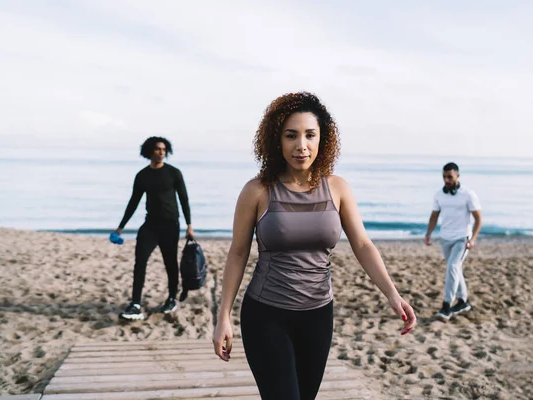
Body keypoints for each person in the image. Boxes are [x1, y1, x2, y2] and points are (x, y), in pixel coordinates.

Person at [212, 92, 417, 400]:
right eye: (291, 135)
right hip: (266, 315)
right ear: (276, 140)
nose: (301, 145)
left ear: (323, 139)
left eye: (310, 135)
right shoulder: (257, 190)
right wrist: (223, 316)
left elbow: (362, 244)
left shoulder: (338, 188)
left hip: (318, 315)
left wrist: (392, 294)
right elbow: (238, 252)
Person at [113, 137, 194, 321]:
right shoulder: (142, 176)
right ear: (150, 151)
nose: (161, 152)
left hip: (170, 225)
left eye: (164, 149)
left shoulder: (174, 173)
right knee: (139, 262)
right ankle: (135, 304)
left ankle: (172, 298)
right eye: (157, 149)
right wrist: (120, 227)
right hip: (150, 226)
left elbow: (184, 199)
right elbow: (133, 202)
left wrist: (189, 225)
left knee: (170, 264)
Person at [424, 162, 482, 320]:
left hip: (462, 238)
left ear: (457, 176)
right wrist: (428, 233)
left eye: (449, 176)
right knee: (455, 269)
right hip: (445, 238)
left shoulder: (468, 194)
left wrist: (473, 239)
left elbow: (478, 218)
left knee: (452, 266)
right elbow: (434, 216)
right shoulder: (439, 194)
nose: (446, 180)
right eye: (444, 176)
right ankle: (463, 301)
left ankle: (446, 305)